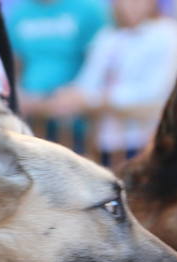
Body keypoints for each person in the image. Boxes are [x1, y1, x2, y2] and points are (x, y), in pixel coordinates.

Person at [46, 0, 177, 167]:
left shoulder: (166, 33)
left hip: (146, 143)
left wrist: (96, 100)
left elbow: (152, 92)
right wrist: (67, 96)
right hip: (107, 144)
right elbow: (87, 83)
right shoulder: (108, 36)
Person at [6, 0, 109, 150]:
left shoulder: (90, 8)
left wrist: (79, 94)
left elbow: (101, 59)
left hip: (77, 123)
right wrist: (18, 93)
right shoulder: (18, 13)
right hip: (31, 120)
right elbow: (13, 63)